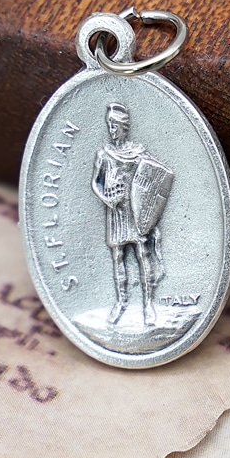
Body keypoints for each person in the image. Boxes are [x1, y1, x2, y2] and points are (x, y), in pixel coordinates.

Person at [91, 103, 171, 326]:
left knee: (142, 254)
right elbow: (96, 183)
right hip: (115, 211)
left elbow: (155, 177)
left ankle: (148, 305)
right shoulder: (104, 154)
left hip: (135, 211)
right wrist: (106, 199)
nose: (111, 130)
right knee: (117, 256)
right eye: (109, 125)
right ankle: (121, 302)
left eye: (114, 125)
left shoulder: (137, 153)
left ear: (123, 127)